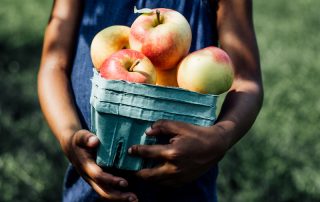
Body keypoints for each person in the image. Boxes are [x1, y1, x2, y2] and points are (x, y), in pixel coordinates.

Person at [38, 0, 263, 201]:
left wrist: (222, 137)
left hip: (186, 183)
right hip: (90, 182)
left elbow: (246, 81)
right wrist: (68, 136)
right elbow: (53, 65)